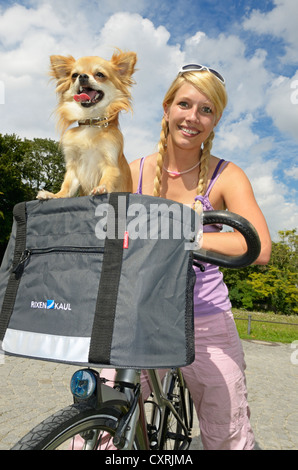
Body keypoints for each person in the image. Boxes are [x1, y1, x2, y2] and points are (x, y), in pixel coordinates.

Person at [129, 64, 272, 450]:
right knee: (106, 419)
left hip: (205, 318)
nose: (193, 117)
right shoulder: (133, 171)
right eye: (185, 104)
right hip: (141, 316)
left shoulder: (228, 175)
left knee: (228, 435)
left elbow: (257, 246)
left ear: (216, 120)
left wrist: (183, 231)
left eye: (206, 110)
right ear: (166, 108)